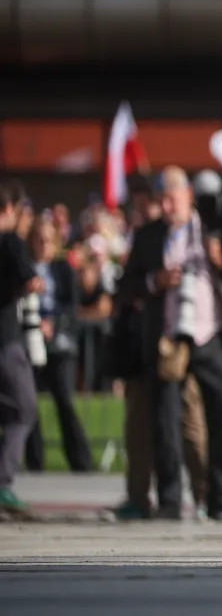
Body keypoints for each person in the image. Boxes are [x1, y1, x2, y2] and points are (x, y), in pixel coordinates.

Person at [117, 167, 222, 521]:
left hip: (209, 333)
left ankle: (219, 497)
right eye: (162, 200)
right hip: (167, 339)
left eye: (173, 198)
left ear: (188, 195)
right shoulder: (149, 236)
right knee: (165, 422)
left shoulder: (211, 231)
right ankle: (170, 499)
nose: (167, 206)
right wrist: (155, 280)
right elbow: (127, 286)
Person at [23, 216, 94, 473]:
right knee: (28, 402)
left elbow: (72, 305)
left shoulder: (62, 269)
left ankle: (80, 459)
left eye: (48, 241)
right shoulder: (24, 268)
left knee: (63, 399)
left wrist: (54, 323)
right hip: (30, 341)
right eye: (38, 240)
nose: (43, 245)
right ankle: (34, 459)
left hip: (59, 344)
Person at [0, 180, 41, 518]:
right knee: (25, 408)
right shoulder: (11, 241)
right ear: (10, 209)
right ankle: (2, 482)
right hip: (5, 340)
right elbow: (30, 279)